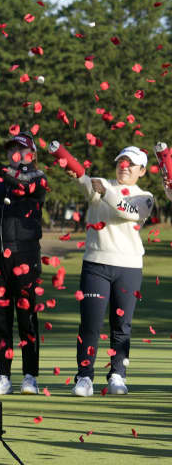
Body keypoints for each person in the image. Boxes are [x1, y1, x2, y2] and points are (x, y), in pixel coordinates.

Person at [68, 147, 153, 397]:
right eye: (121, 161)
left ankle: (117, 374)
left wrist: (104, 190)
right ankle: (84, 377)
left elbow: (126, 211)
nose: (124, 166)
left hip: (129, 268)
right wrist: (77, 174)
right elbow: (87, 187)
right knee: (90, 324)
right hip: (95, 264)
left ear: (142, 170)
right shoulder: (101, 185)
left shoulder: (145, 196)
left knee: (121, 326)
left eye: (130, 164)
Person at [0, 132, 48, 395]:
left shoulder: (38, 178)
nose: (16, 153)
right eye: (11, 148)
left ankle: (30, 376)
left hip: (24, 254)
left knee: (27, 318)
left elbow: (23, 186)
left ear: (32, 155)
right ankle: (3, 375)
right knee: (0, 319)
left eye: (21, 149)